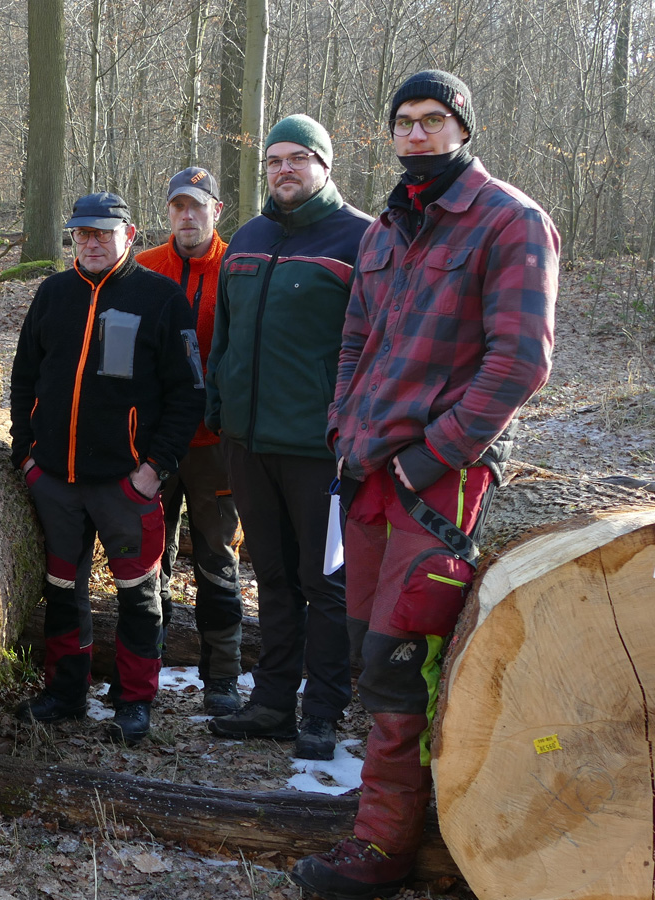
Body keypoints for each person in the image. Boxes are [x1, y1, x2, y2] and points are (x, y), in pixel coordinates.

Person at [292, 71, 558, 900]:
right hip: (367, 470)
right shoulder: (385, 229)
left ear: (462, 130)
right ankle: (385, 819)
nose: (417, 135)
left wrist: (431, 454)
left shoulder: (509, 222)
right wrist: (344, 425)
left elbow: (521, 361)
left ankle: (386, 850)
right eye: (404, 122)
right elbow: (356, 338)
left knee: (405, 661)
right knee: (375, 658)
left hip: (439, 482)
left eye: (433, 121)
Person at [205, 115, 373, 760]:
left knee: (323, 581)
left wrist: (353, 430)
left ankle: (323, 711)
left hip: (320, 450)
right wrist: (220, 411)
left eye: (298, 158)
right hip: (248, 444)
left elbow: (376, 346)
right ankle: (273, 702)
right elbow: (223, 339)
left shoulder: (359, 240)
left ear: (325, 165)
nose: (284, 170)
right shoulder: (246, 239)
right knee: (270, 576)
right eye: (274, 160)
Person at [9, 192, 204, 745]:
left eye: (103, 233)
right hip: (56, 482)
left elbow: (189, 394)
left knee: (139, 592)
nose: (92, 243)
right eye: (82, 234)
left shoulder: (160, 297)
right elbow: (25, 379)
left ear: (130, 234)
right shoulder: (53, 294)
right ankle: (65, 692)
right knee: (62, 588)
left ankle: (135, 700)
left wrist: (153, 469)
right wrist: (25, 454)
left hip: (126, 483)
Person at [134, 167, 245, 716]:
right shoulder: (146, 267)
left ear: (216, 210)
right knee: (151, 555)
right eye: (178, 205)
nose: (187, 215)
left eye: (197, 206)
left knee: (216, 558)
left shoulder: (237, 268)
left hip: (214, 446)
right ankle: (146, 663)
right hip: (154, 444)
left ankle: (222, 674)